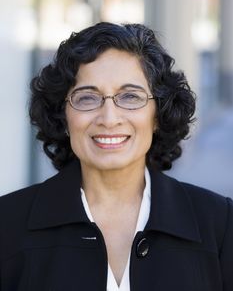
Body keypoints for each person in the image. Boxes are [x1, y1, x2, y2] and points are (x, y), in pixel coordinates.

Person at [0, 22, 232, 291]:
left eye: (130, 96)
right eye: (87, 98)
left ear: (158, 115)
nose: (109, 119)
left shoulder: (219, 224)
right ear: (63, 116)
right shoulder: (6, 224)